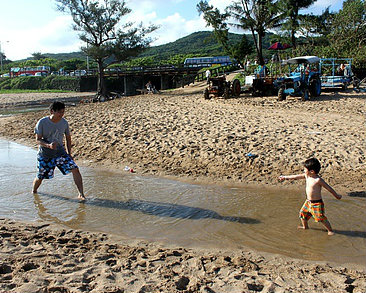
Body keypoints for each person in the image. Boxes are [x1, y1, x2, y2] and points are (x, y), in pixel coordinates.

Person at [32, 101, 85, 200]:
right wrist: (48, 145)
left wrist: (69, 154)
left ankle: (81, 194)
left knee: (75, 169)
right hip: (45, 154)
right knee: (40, 177)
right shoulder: (42, 122)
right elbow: (38, 140)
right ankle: (34, 192)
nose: (61, 114)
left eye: (63, 112)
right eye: (59, 112)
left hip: (60, 153)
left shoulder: (64, 123)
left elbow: (68, 138)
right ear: (52, 111)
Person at [279, 158, 342, 235]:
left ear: (312, 171)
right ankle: (305, 227)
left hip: (317, 203)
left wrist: (336, 196)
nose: (303, 171)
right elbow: (296, 176)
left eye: (305, 169)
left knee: (321, 218)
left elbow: (329, 188)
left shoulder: (318, 180)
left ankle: (330, 230)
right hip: (308, 202)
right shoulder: (307, 176)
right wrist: (285, 177)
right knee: (302, 214)